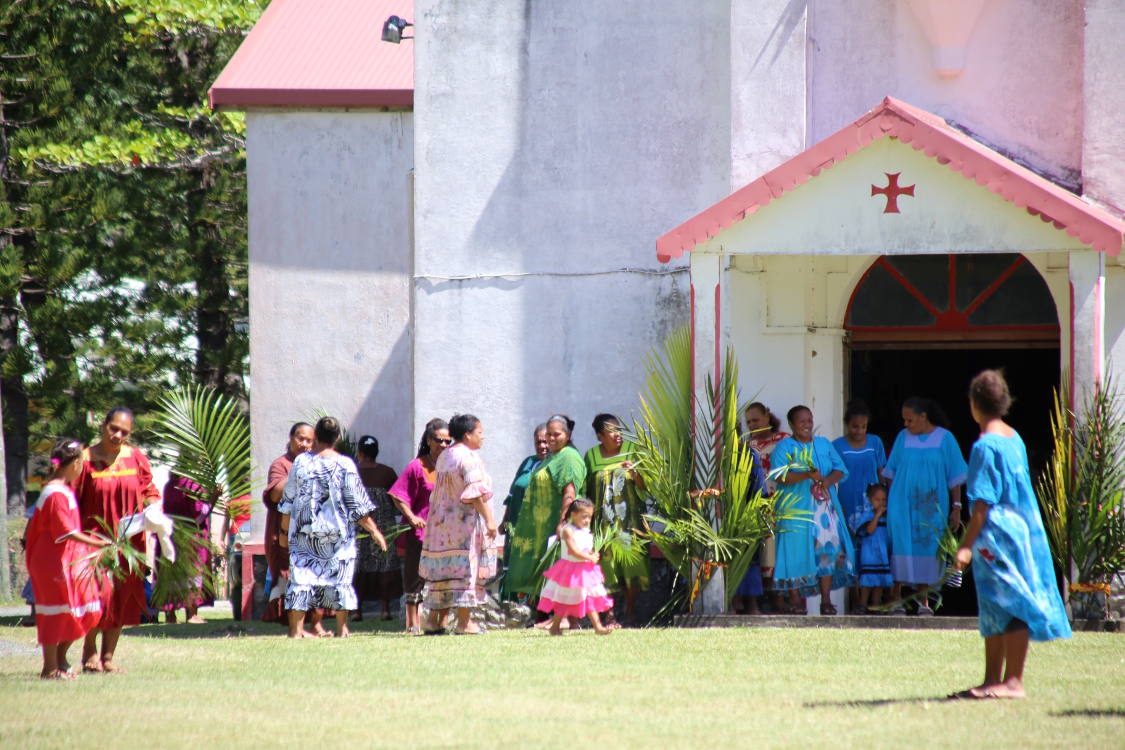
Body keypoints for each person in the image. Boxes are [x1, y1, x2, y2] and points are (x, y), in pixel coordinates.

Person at [951, 370, 1071, 699]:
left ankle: (1013, 681)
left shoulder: (984, 446)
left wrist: (965, 547)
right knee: (995, 606)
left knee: (1011, 604)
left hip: (996, 536)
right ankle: (992, 679)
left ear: (974, 404)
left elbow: (981, 506)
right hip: (1021, 531)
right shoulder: (1012, 437)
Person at [279, 416, 387, 638]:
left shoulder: (300, 462)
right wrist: (375, 531)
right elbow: (357, 505)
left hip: (304, 535)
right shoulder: (346, 464)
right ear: (338, 438)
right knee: (340, 580)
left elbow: (288, 500)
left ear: (315, 436)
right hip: (337, 536)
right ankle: (341, 628)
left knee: (301, 579)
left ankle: (297, 631)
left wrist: (283, 531)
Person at [77, 407, 161, 674]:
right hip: (93, 539)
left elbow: (148, 488)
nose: (117, 435)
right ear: (103, 424)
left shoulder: (135, 457)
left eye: (124, 432)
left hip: (128, 540)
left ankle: (109, 656)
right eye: (113, 428)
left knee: (122, 596)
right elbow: (72, 499)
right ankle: (90, 651)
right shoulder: (84, 459)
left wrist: (152, 507)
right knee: (96, 595)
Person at [26, 439, 110, 680]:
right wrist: (97, 542)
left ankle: (61, 660)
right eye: (82, 462)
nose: (84, 466)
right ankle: (50, 668)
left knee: (86, 607)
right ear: (74, 464)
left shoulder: (64, 488)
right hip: (51, 561)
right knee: (56, 611)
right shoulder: (55, 493)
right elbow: (66, 531)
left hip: (67, 558)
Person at [882, 397, 967, 616]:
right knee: (901, 546)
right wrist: (892, 502)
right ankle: (895, 599)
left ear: (923, 417)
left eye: (909, 420)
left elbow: (954, 477)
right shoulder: (903, 438)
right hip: (902, 505)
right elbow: (891, 473)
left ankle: (924, 602)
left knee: (928, 547)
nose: (906, 424)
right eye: (904, 420)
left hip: (931, 506)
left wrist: (956, 507)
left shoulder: (945, 439)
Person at [419, 414, 499, 635]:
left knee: (443, 571)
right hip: (463, 526)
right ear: (468, 434)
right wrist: (490, 520)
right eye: (480, 432)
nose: (483, 437)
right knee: (466, 569)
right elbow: (474, 493)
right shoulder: (469, 457)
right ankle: (464, 623)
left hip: (442, 526)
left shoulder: (445, 456)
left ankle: (433, 621)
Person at [773, 405, 856, 615]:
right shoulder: (784, 447)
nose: (807, 425)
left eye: (809, 420)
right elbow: (779, 476)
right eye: (801, 422)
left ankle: (826, 601)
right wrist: (807, 476)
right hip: (794, 509)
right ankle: (794, 601)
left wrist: (827, 480)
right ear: (791, 425)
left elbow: (841, 469)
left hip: (824, 509)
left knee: (827, 550)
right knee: (794, 551)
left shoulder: (823, 444)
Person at [505, 415, 587, 598]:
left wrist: (562, 523)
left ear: (568, 433)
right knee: (544, 572)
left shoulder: (569, 457)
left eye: (556, 434)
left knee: (559, 569)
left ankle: (563, 616)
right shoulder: (553, 455)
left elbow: (570, 493)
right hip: (541, 525)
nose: (550, 438)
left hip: (556, 524)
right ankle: (544, 613)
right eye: (548, 434)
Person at [583, 414, 648, 626]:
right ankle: (608, 615)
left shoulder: (633, 450)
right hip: (603, 528)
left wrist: (636, 473)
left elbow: (647, 488)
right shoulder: (591, 456)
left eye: (619, 429)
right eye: (611, 431)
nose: (618, 434)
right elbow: (587, 492)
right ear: (600, 436)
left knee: (631, 568)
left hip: (630, 526)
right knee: (605, 570)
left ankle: (630, 614)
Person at [388, 418, 449, 635]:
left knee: (442, 577)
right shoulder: (417, 466)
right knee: (415, 577)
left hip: (445, 534)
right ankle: (412, 624)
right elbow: (398, 495)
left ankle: (441, 622)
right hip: (420, 533)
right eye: (439, 440)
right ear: (429, 440)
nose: (443, 445)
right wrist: (411, 516)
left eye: (447, 441)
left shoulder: (450, 465)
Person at [261, 422, 320, 629]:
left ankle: (316, 625)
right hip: (285, 535)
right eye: (300, 439)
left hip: (312, 536)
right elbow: (275, 495)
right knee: (292, 579)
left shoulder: (318, 464)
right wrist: (297, 471)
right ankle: (297, 627)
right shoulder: (281, 464)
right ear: (291, 439)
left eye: (309, 440)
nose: (305, 444)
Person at [537, 498, 613, 636]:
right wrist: (590, 558)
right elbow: (574, 551)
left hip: (584, 571)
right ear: (573, 515)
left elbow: (584, 549)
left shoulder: (585, 531)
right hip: (570, 571)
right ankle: (554, 627)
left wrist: (592, 554)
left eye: (590, 517)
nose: (587, 520)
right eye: (584, 517)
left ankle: (598, 627)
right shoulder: (568, 531)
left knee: (588, 597)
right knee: (564, 598)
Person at [352, 435, 402, 621]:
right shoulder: (387, 472)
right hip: (384, 530)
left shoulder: (353, 472)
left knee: (357, 566)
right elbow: (398, 497)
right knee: (384, 565)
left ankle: (356, 610)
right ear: (377, 452)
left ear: (360, 452)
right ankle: (385, 609)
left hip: (358, 530)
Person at [745, 402, 790, 606]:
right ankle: (767, 599)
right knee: (765, 552)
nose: (752, 425)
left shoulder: (784, 440)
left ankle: (781, 599)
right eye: (748, 422)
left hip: (781, 502)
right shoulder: (746, 446)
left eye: (755, 420)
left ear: (767, 416)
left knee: (781, 550)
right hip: (759, 506)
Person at [499, 424, 549, 600]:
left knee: (536, 565)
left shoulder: (558, 464)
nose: (542, 446)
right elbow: (513, 494)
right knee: (516, 565)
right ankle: (513, 606)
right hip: (517, 525)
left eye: (546, 441)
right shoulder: (528, 462)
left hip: (541, 528)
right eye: (538, 442)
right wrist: (505, 521)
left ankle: (535, 607)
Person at [159, 473, 214, 624]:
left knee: (173, 574)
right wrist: (214, 498)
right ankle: (192, 615)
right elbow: (198, 516)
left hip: (171, 536)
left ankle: (170, 616)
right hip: (190, 538)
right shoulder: (191, 486)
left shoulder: (169, 485)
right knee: (192, 574)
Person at [831, 401, 887, 533]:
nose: (859, 431)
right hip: (847, 499)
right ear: (846, 423)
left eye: (864, 427)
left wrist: (885, 497)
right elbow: (831, 478)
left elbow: (881, 472)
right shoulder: (836, 446)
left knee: (873, 535)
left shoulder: (875, 442)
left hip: (873, 500)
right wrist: (837, 504)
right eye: (855, 426)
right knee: (850, 535)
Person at [731, 437, 768, 615]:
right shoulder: (749, 454)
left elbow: (760, 488)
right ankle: (750, 605)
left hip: (737, 514)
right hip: (747, 513)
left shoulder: (715, 455)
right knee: (748, 559)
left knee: (743, 558)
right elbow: (762, 490)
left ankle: (738, 603)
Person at [854, 484, 892, 614]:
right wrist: (876, 516)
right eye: (877, 500)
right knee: (867, 578)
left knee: (879, 579)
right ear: (870, 500)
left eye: (884, 500)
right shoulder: (867, 515)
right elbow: (869, 530)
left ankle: (876, 606)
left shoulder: (888, 517)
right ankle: (863, 604)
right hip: (869, 552)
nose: (881, 503)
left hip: (882, 553)